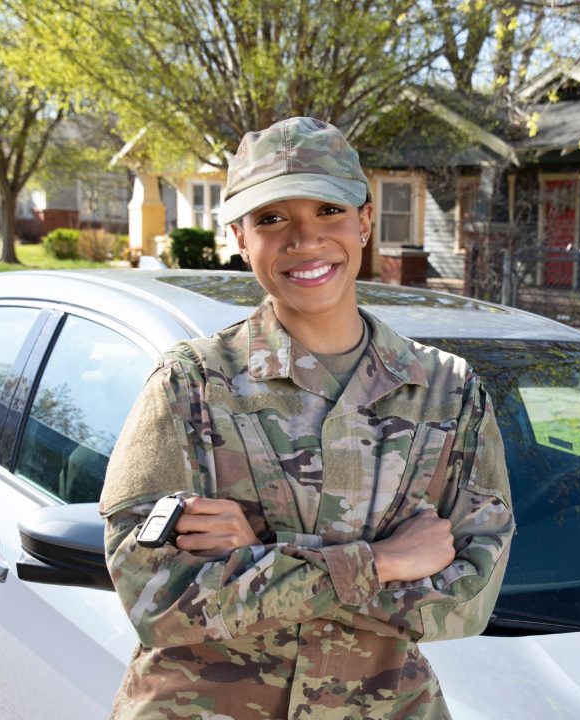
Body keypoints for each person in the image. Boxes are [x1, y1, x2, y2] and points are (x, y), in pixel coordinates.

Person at [100, 117, 514, 720]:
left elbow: (463, 603)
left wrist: (259, 561)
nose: (304, 239)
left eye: (328, 211)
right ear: (240, 237)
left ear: (365, 221)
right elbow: (157, 597)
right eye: (272, 219)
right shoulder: (190, 384)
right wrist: (385, 561)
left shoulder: (449, 394)